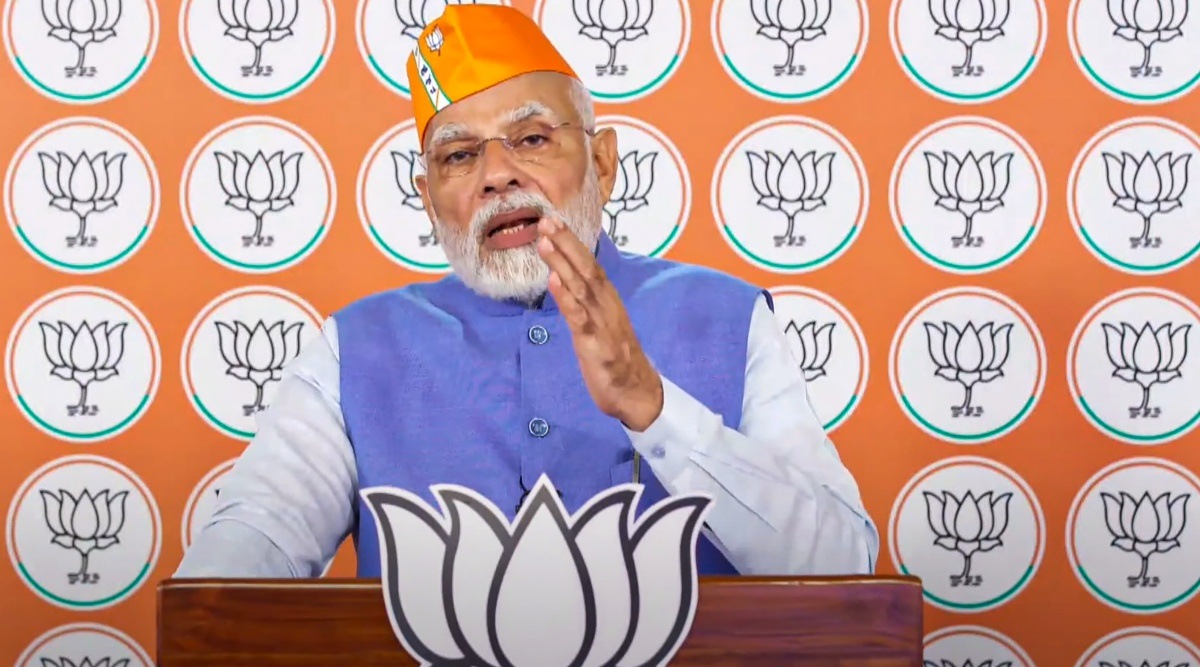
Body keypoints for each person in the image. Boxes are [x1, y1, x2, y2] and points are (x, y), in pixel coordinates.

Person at [174, 4, 878, 579]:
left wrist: (654, 409)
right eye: (459, 154)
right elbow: (243, 557)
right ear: (429, 198)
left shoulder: (727, 316)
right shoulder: (355, 348)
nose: (497, 175)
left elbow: (843, 566)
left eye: (532, 139)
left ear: (602, 161)